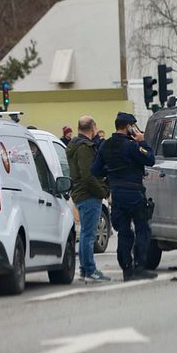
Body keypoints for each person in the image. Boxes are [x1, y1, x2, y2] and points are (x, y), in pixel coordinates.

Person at [91, 112, 157, 281]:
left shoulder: (105, 145)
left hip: (117, 194)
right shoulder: (131, 145)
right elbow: (150, 159)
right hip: (134, 193)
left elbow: (96, 170)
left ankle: (126, 268)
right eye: (133, 126)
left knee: (124, 232)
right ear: (128, 127)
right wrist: (142, 141)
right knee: (143, 229)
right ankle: (140, 266)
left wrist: (112, 173)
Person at [67, 116, 111, 281]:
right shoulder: (84, 147)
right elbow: (88, 174)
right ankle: (90, 270)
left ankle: (85, 269)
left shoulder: (73, 145)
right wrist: (102, 192)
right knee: (88, 234)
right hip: (88, 194)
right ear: (93, 127)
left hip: (80, 192)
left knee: (86, 233)